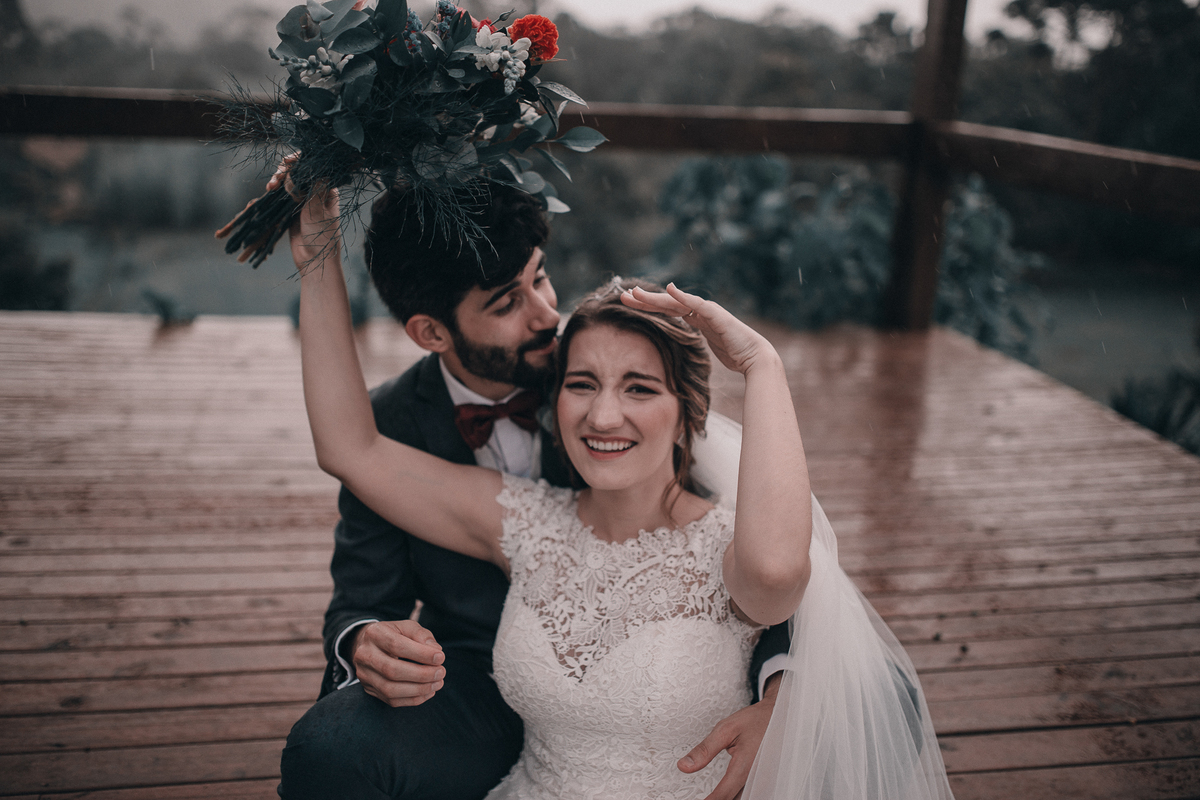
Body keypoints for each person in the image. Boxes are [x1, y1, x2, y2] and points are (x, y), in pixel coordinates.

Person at [277, 181, 793, 800]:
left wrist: (762, 365)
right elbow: (347, 450)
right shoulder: (511, 509)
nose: (602, 416)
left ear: (688, 416)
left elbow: (778, 566)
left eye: (638, 389)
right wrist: (317, 251)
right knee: (328, 752)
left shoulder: (600, 352)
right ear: (432, 332)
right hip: (474, 688)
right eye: (581, 385)